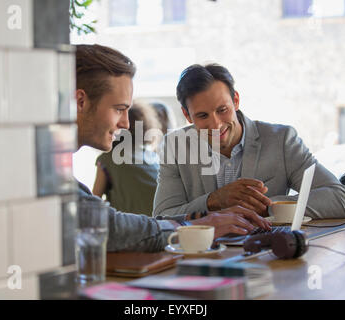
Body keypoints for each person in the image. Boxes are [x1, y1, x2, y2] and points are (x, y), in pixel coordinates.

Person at [75, 45, 271, 252]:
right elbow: (109, 228)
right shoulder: (47, 177)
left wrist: (203, 221)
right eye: (119, 109)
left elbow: (109, 222)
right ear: (80, 101)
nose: (125, 123)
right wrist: (195, 224)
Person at [153, 63, 345, 220]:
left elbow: (338, 198)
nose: (215, 124)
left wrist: (268, 206)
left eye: (222, 110)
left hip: (269, 253)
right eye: (203, 115)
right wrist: (214, 201)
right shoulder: (176, 145)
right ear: (187, 115)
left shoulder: (281, 140)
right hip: (206, 255)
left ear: (236, 101)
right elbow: (162, 217)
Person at [92, 100, 162, 215]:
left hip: (129, 227)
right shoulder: (153, 157)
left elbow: (94, 202)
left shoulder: (107, 160)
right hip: (159, 225)